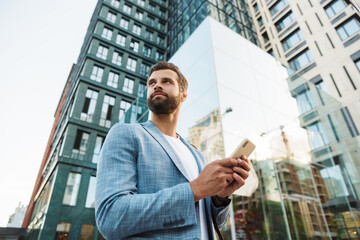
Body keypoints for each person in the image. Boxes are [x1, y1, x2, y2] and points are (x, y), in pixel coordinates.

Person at [95, 61, 251, 239]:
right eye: (152, 83)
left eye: (167, 81)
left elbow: (208, 223)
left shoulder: (196, 155)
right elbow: (111, 217)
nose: (157, 85)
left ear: (183, 95)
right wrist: (195, 189)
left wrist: (221, 197)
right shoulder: (126, 133)